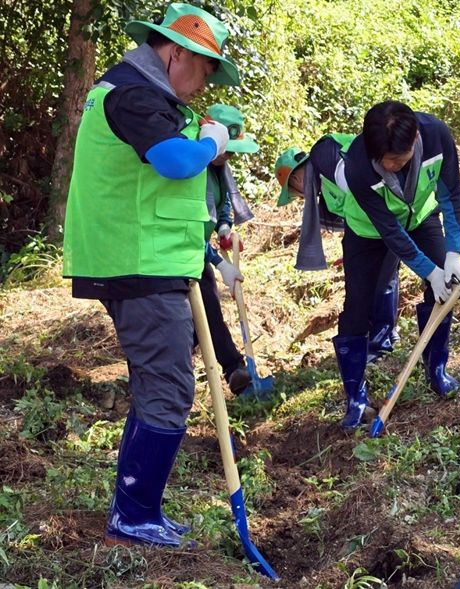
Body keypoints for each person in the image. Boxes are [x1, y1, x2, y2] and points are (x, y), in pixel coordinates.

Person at [62, 3, 239, 547]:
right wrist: (213, 143)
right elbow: (174, 164)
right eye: (205, 70)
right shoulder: (134, 95)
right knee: (167, 386)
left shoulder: (139, 93)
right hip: (136, 264)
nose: (202, 83)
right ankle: (134, 516)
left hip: (148, 260)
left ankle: (137, 509)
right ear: (177, 52)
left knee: (158, 384)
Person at [310, 101, 460, 430]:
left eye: (398, 159)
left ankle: (436, 370)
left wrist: (452, 254)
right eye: (385, 160)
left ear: (414, 142)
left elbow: (451, 193)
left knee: (444, 288)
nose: (391, 166)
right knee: (358, 306)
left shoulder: (437, 136)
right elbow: (391, 233)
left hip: (421, 217)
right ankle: (355, 397)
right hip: (368, 230)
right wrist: (429, 270)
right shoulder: (356, 164)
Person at [274, 136, 401, 365]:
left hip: (386, 219)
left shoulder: (327, 159)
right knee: (374, 283)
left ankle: (381, 342)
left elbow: (362, 187)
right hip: (366, 232)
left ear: (297, 178)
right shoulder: (325, 189)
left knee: (383, 281)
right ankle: (379, 338)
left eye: (295, 190)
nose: (301, 195)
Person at [199, 102, 265, 399]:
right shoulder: (193, 168)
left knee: (209, 309)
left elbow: (223, 202)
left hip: (196, 251)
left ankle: (235, 370)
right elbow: (182, 224)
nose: (228, 156)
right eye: (225, 148)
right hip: (174, 252)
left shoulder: (221, 168)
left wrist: (224, 228)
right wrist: (218, 262)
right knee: (194, 318)